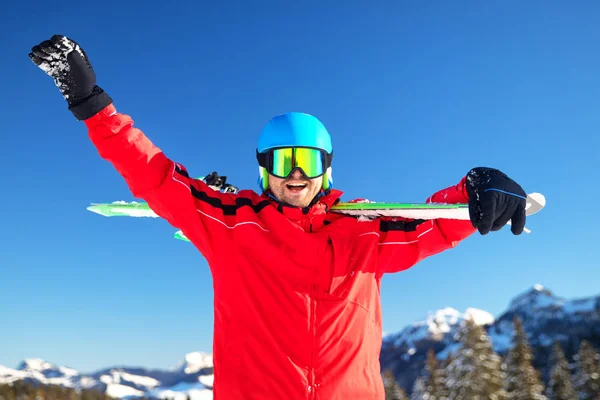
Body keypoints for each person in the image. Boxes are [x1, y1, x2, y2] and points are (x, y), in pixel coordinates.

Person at [29, 35, 528, 400]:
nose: (295, 174)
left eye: (308, 161)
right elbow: (155, 176)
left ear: (327, 169)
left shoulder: (363, 233)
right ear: (263, 168)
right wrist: (93, 106)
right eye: (282, 160)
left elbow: (432, 225)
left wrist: (473, 192)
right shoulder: (230, 223)